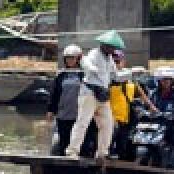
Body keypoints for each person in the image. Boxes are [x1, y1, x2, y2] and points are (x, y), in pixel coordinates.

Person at [67, 30, 124, 159]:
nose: (113, 49)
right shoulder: (94, 53)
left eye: (114, 47)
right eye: (112, 47)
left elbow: (116, 76)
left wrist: (132, 72)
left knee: (108, 124)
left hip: (102, 95)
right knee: (83, 122)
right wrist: (91, 68)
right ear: (104, 45)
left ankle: (102, 153)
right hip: (90, 93)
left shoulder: (109, 59)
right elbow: (85, 62)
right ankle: (72, 151)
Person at [48, 44, 92, 156]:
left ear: (78, 59)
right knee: (64, 141)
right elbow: (55, 93)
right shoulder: (61, 74)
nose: (70, 60)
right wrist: (51, 110)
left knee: (82, 142)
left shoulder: (84, 74)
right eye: (67, 58)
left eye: (72, 57)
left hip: (80, 114)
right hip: (63, 114)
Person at [109, 67, 137, 160]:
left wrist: (152, 108)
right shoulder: (108, 82)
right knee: (109, 143)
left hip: (125, 118)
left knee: (122, 145)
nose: (116, 64)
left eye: (118, 61)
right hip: (111, 117)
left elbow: (143, 97)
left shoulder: (131, 84)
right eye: (115, 61)